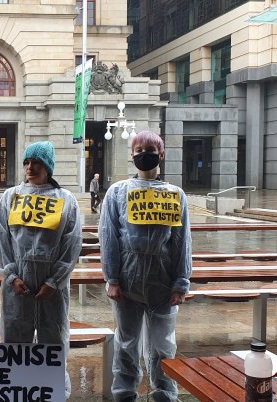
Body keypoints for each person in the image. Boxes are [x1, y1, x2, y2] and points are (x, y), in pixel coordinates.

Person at [98, 131, 191, 402]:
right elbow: (109, 237)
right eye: (138, 149)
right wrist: (112, 278)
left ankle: (164, 395)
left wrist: (180, 283)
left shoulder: (175, 195)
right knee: (126, 345)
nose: (143, 154)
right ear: (131, 154)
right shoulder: (117, 193)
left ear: (161, 154)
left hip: (162, 282)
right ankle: (124, 395)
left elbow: (181, 241)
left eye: (149, 149)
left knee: (163, 347)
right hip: (127, 281)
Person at [0, 140, 82, 398]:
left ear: (48, 166)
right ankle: (16, 390)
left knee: (52, 340)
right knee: (14, 340)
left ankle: (49, 391)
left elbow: (71, 244)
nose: (30, 167)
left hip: (51, 288)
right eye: (27, 162)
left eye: (37, 162)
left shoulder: (66, 200)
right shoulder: (11, 197)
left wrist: (54, 281)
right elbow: (1, 240)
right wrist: (11, 276)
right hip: (17, 286)